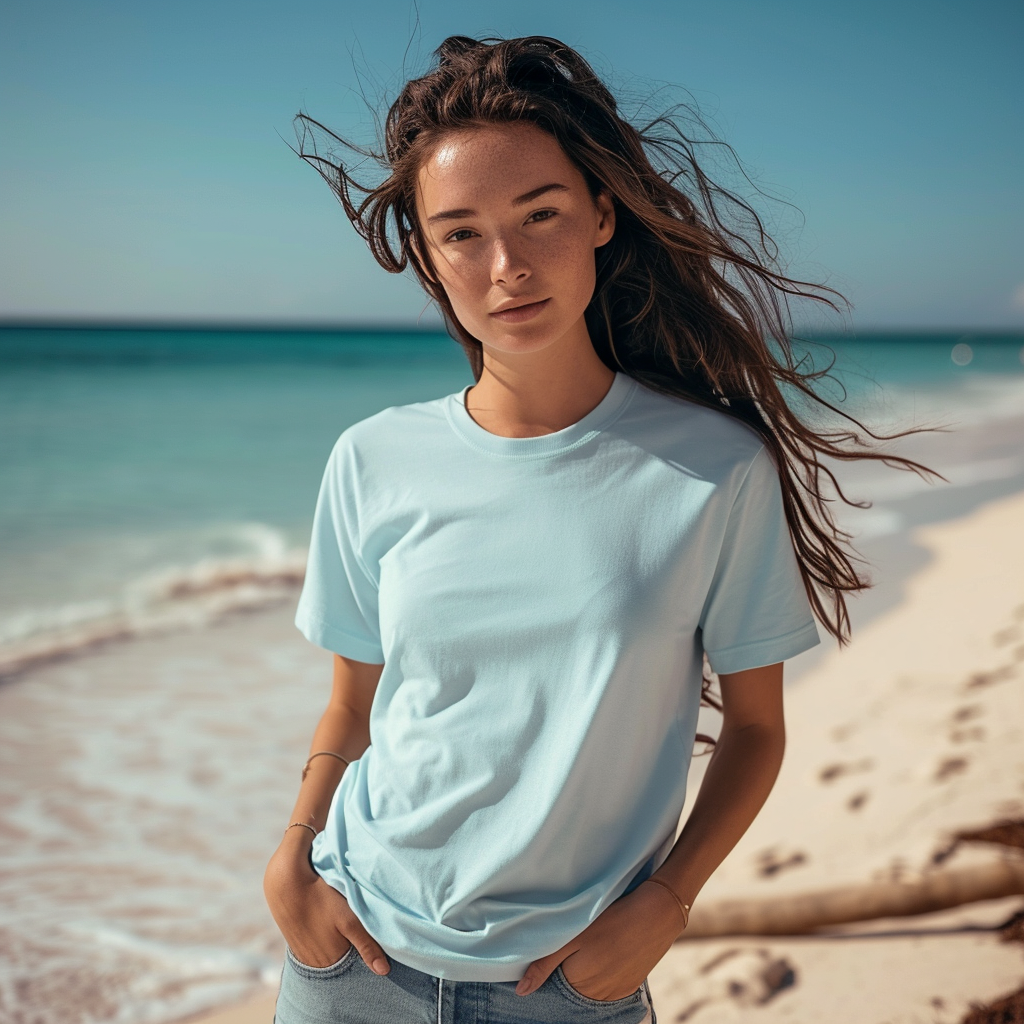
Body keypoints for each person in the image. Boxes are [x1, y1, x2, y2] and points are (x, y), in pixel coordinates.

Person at [263, 35, 929, 1024]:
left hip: (569, 988)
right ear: (426, 253)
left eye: (541, 215)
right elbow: (351, 708)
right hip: (351, 962)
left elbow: (754, 727)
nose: (508, 266)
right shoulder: (372, 458)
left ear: (601, 214)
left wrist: (665, 903)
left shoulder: (712, 467)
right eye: (461, 234)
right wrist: (291, 854)